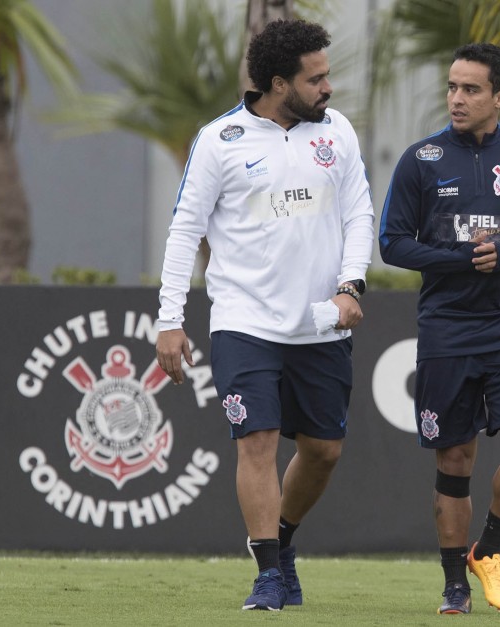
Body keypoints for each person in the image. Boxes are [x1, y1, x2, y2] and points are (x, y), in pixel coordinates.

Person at [155, 19, 374, 612]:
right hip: (243, 320)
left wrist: (352, 285)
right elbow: (185, 230)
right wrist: (169, 319)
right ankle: (269, 574)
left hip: (321, 322)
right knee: (258, 440)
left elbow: (360, 213)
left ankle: (285, 538)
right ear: (280, 82)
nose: (328, 88)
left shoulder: (338, 133)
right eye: (317, 78)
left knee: (324, 450)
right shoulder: (219, 139)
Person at [378, 42, 500, 614]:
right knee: (455, 459)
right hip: (445, 325)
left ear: (499, 97)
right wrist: (459, 258)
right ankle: (454, 586)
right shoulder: (421, 160)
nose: (456, 99)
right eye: (452, 87)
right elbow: (393, 243)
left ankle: (487, 552)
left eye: (470, 89)